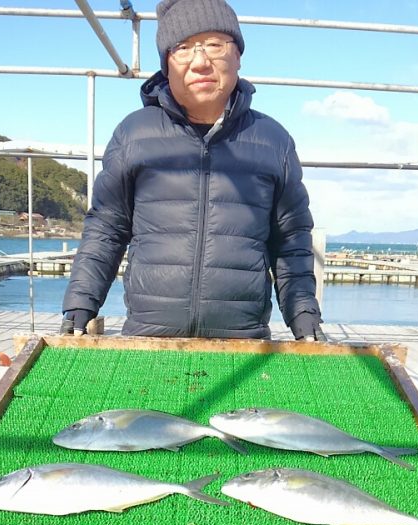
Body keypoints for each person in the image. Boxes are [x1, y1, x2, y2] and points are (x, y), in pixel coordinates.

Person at [61, 0, 325, 342]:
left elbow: (290, 240)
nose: (200, 61)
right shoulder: (133, 134)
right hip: (147, 337)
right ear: (167, 64)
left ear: (238, 55)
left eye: (215, 44)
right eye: (183, 48)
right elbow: (106, 228)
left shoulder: (274, 141)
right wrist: (80, 306)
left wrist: (303, 313)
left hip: (244, 341)